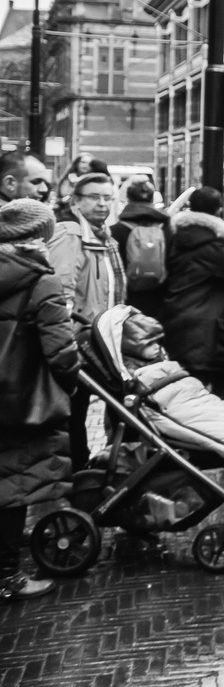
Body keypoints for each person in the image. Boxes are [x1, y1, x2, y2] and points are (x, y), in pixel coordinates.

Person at [0, 199, 79, 601]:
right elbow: (62, 352)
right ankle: (7, 577)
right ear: (41, 236)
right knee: (13, 487)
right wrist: (72, 384)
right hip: (19, 401)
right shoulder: (39, 280)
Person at [47, 172, 126, 471]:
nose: (103, 204)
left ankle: (102, 466)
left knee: (108, 406)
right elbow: (60, 293)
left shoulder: (102, 235)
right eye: (94, 197)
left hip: (100, 342)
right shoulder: (71, 234)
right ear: (76, 201)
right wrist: (66, 343)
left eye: (108, 198)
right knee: (76, 412)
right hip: (81, 344)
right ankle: (79, 475)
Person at [160, 186, 224, 403]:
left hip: (177, 322)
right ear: (219, 211)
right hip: (214, 331)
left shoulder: (172, 237)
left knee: (187, 392)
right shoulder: (215, 245)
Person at [110, 179, 169, 319]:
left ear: (128, 198)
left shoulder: (115, 231)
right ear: (152, 198)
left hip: (127, 303)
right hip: (159, 302)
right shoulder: (167, 230)